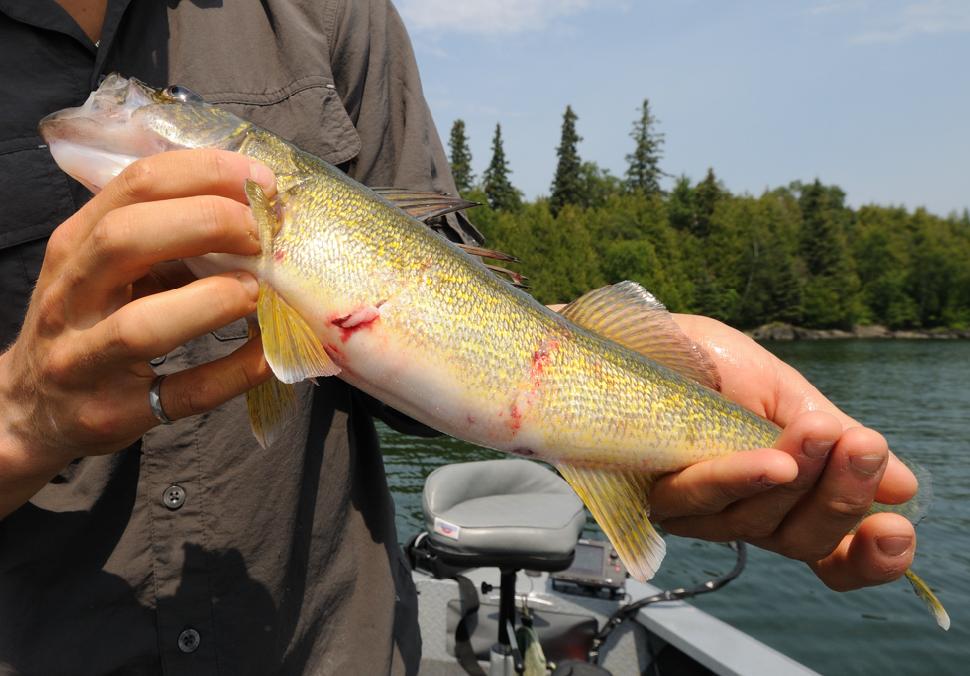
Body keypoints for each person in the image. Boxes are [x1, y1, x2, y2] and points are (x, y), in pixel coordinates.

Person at [0, 1, 917, 674]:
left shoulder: (334, 12)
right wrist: (20, 428)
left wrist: (629, 373)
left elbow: (447, 302)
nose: (140, 99)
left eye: (168, 97)